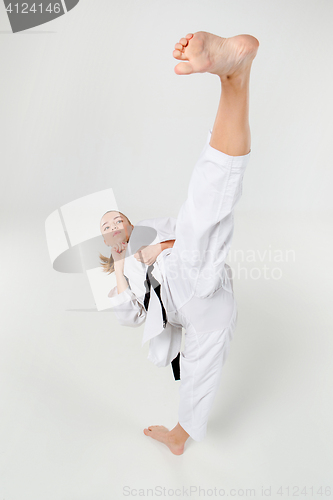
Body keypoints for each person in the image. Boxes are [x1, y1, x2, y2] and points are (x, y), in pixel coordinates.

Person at [99, 31, 259, 455]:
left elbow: (188, 234)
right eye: (106, 226)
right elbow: (130, 317)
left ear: (130, 221)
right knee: (196, 379)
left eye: (116, 216)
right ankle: (178, 438)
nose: (112, 223)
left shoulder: (153, 230)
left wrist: (158, 248)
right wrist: (121, 262)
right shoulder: (124, 271)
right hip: (206, 317)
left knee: (206, 205)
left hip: (197, 278)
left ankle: (234, 76)